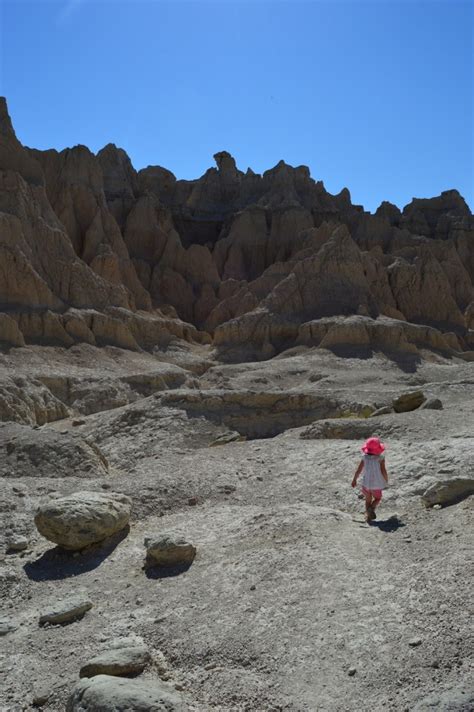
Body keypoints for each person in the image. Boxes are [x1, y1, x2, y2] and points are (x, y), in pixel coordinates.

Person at [351, 436, 388, 522]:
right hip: (376, 484)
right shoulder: (380, 458)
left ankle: (368, 516)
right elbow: (383, 470)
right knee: (377, 498)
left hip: (366, 484)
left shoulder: (364, 457)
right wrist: (386, 479)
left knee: (368, 500)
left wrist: (354, 479)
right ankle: (371, 509)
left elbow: (359, 470)